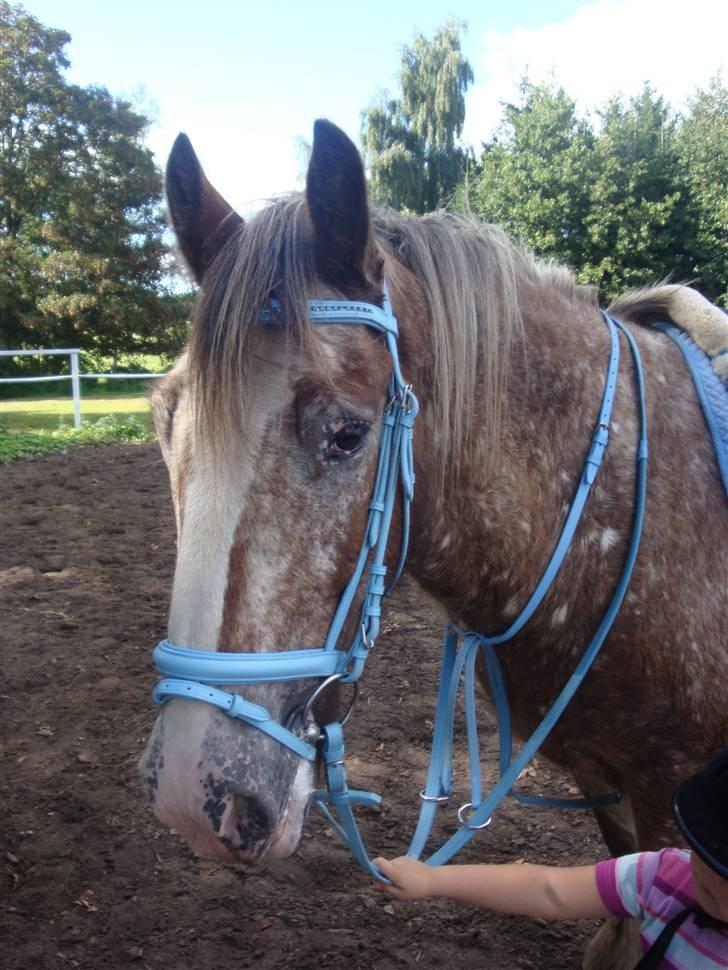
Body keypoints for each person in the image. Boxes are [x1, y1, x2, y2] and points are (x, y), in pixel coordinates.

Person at [375, 747, 728, 969]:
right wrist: (433, 880)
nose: (707, 878)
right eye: (702, 850)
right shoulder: (665, 877)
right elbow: (550, 888)